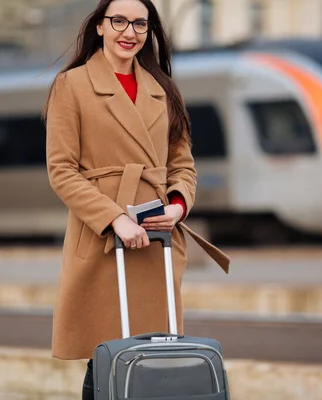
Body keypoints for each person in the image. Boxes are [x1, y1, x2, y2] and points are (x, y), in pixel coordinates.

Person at [44, 0, 230, 398]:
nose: (129, 32)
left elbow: (182, 166)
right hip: (101, 237)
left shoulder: (162, 87)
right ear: (99, 27)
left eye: (140, 24)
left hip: (156, 240)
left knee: (154, 356)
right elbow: (61, 170)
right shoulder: (71, 85)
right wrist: (114, 219)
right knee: (107, 354)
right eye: (119, 21)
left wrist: (177, 206)